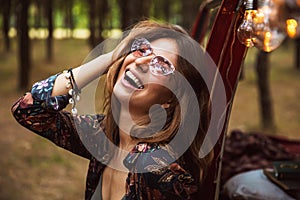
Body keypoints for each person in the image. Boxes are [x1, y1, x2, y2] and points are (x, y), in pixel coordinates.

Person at [11, 20, 215, 200]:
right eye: (142, 50)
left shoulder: (157, 169)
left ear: (171, 99)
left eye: (160, 64)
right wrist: (111, 57)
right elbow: (28, 109)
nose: (141, 63)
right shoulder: (105, 136)